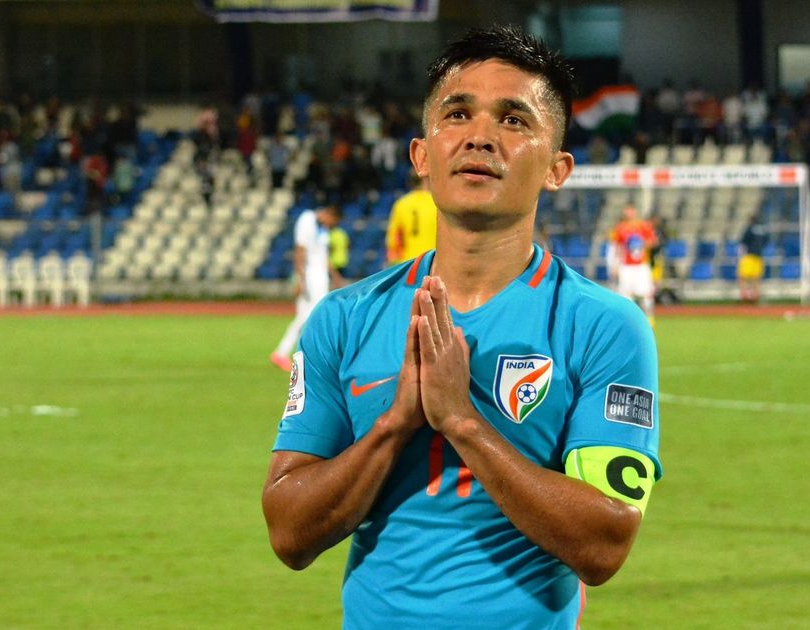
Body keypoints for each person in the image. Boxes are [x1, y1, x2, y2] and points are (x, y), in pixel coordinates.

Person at [262, 26, 660, 629]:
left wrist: (461, 421)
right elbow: (289, 534)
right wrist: (395, 425)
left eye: (514, 120)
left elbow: (604, 544)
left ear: (558, 168)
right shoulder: (343, 318)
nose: (480, 135)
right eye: (457, 113)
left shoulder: (606, 327)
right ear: (423, 155)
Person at [270, 204, 342, 371]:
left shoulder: (322, 229)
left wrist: (336, 276)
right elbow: (300, 250)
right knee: (313, 315)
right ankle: (292, 353)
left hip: (319, 275)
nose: (332, 226)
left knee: (305, 316)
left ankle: (285, 353)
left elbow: (324, 256)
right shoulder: (307, 220)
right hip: (310, 275)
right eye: (333, 222)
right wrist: (300, 279)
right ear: (329, 214)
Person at [608, 204, 658, 323]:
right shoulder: (620, 228)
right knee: (625, 293)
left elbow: (654, 241)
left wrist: (641, 244)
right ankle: (630, 319)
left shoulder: (643, 226)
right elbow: (616, 248)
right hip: (626, 266)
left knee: (646, 292)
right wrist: (615, 265)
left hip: (641, 265)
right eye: (627, 210)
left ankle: (649, 318)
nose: (629, 213)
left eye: (631, 210)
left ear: (634, 211)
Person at [385, 171, 438, 264]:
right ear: (425, 180)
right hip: (432, 262)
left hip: (408, 263)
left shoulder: (401, 204)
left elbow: (393, 239)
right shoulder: (436, 203)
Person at [738, 212, 766, 303]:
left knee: (743, 276)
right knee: (756, 278)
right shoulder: (762, 230)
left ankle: (744, 295)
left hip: (749, 255)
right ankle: (756, 296)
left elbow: (743, 242)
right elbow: (766, 241)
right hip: (759, 256)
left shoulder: (749, 229)